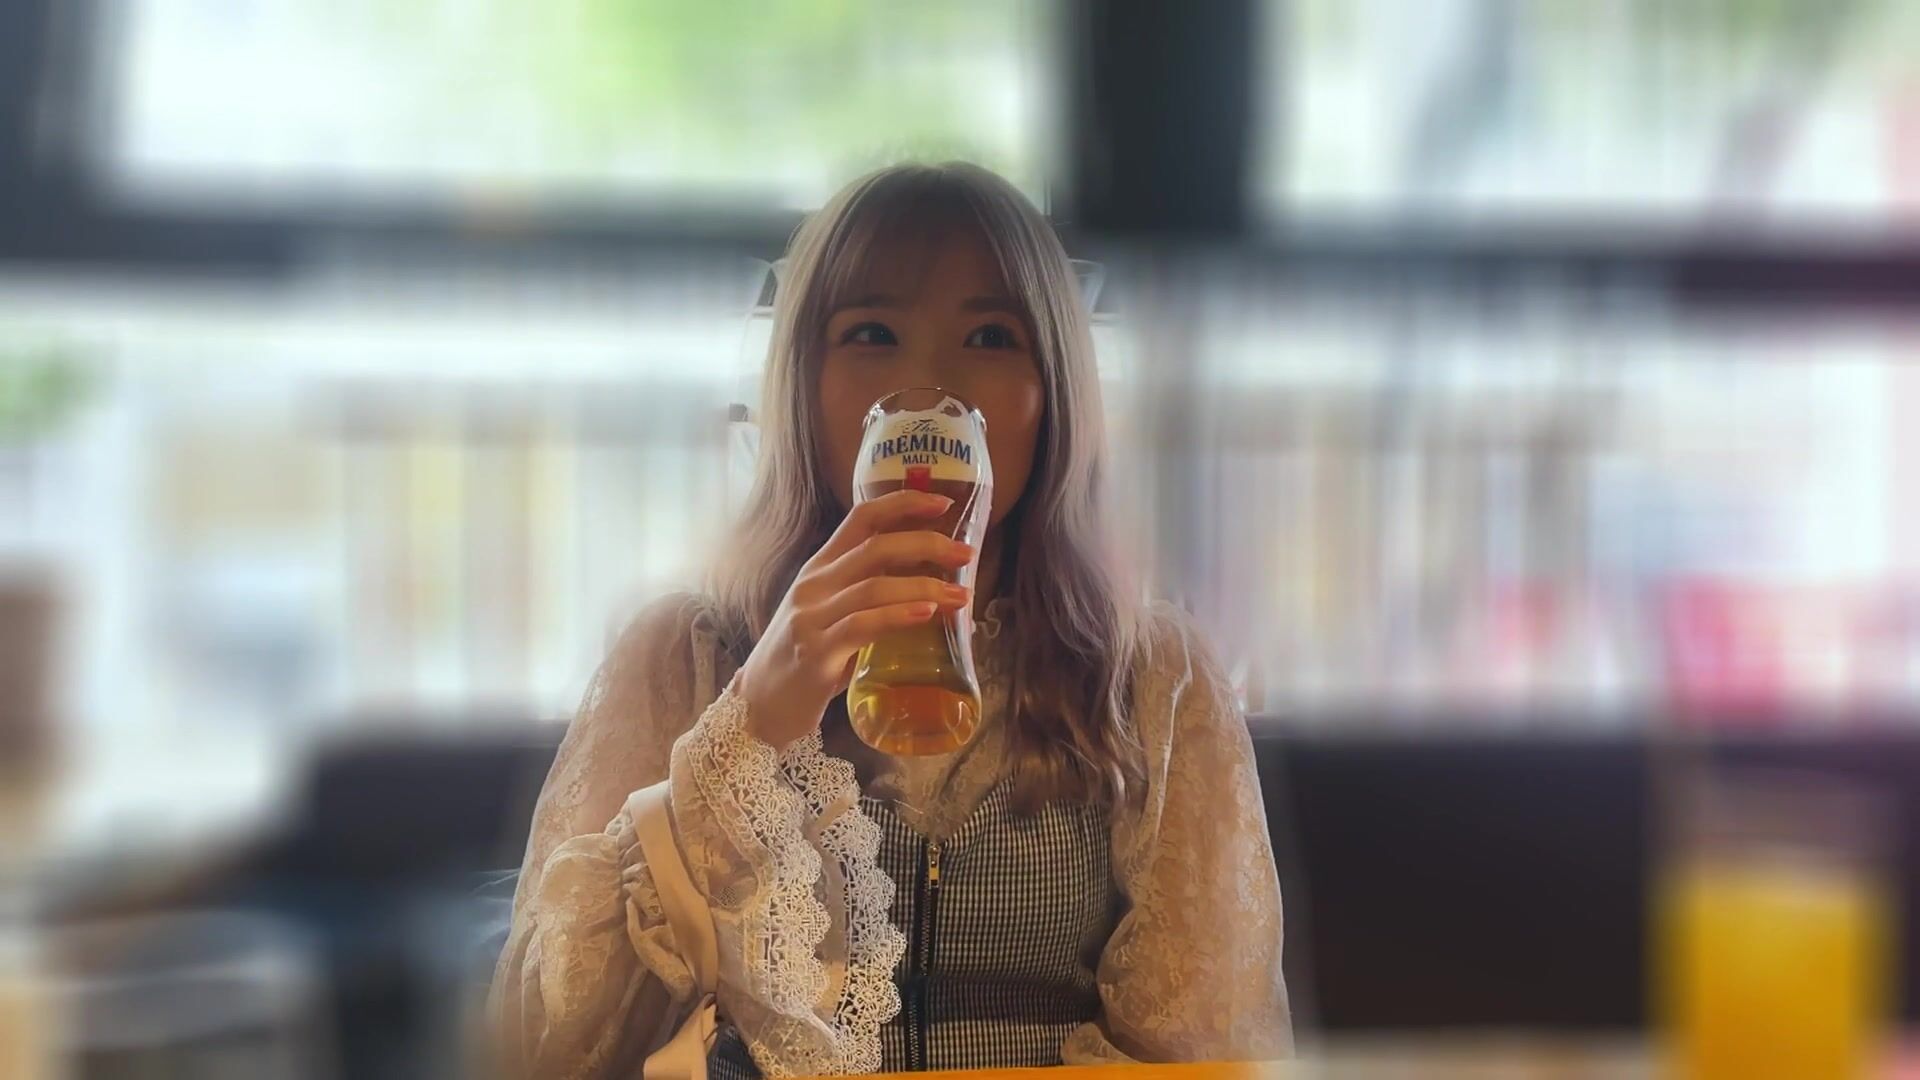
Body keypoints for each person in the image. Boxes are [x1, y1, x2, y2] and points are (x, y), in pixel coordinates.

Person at [489, 162, 1291, 1078]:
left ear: (1055, 391)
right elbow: (546, 1044)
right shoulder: (685, 656)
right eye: (872, 333)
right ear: (803, 383)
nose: (928, 390)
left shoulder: (1151, 680)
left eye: (990, 337)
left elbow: (1205, 1049)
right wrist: (751, 727)